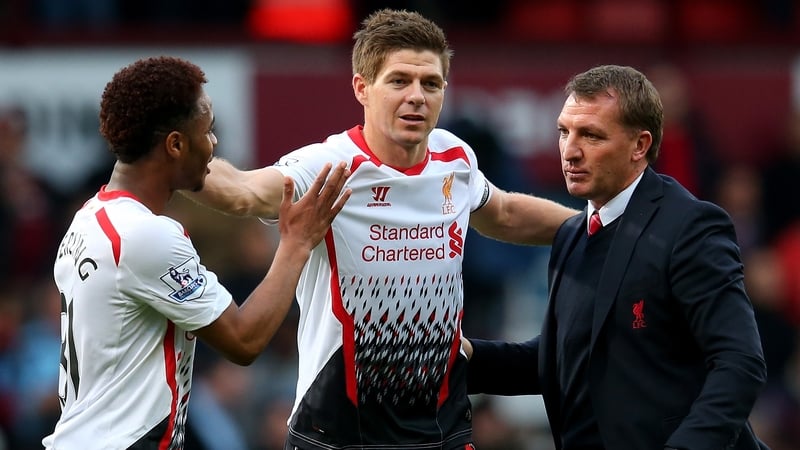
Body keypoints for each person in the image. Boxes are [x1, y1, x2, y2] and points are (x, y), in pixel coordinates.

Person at [187, 8, 577, 449]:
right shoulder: (330, 166)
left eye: (431, 84)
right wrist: (179, 155)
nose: (417, 96)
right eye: (399, 81)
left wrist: (594, 226)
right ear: (362, 88)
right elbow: (242, 192)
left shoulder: (455, 157)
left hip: (441, 427)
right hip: (339, 430)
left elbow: (503, 212)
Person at [42, 56, 351, 449]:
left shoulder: (88, 220)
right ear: (175, 144)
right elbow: (244, 341)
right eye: (208, 131)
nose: (214, 144)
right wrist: (296, 243)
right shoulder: (146, 235)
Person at [464, 64, 769, 450]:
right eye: (564, 132)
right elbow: (558, 361)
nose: (570, 151)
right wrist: (462, 357)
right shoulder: (572, 235)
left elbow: (739, 363)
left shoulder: (690, 226)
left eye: (590, 135)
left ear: (639, 146)